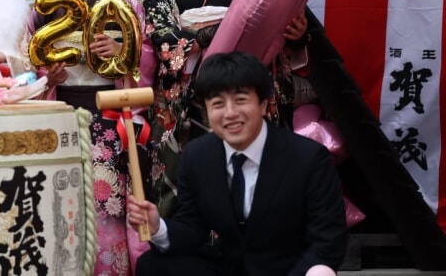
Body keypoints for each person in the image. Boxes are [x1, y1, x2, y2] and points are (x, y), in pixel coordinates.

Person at [143, 0, 309, 216]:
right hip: (194, 92)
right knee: (197, 180)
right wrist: (214, 33)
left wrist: (297, 35)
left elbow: (277, 23)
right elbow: (161, 34)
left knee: (255, 178)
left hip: (249, 81)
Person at [127, 51, 347, 276]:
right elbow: (192, 228)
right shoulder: (197, 156)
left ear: (263, 104)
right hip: (227, 266)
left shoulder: (308, 158)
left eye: (241, 100)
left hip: (286, 268)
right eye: (218, 103)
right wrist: (157, 227)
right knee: (152, 265)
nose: (230, 113)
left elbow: (326, 241)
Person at [28, 0, 156, 275]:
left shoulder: (122, 0)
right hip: (61, 113)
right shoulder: (44, 7)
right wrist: (48, 78)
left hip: (110, 114)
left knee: (106, 201)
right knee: (61, 201)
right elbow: (30, 62)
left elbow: (148, 53)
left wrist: (121, 50)